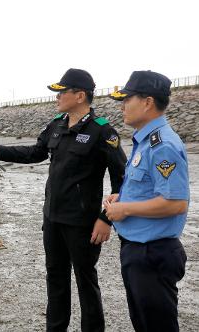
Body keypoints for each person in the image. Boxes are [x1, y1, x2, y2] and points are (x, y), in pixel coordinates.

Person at [0, 68, 127, 331]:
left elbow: (122, 179)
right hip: (53, 218)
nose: (56, 97)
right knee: (55, 280)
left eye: (61, 92)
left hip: (82, 223)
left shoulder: (102, 131)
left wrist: (106, 218)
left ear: (80, 95)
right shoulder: (56, 124)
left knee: (86, 282)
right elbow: (35, 152)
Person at [104, 70, 188, 332]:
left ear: (148, 102)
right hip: (139, 251)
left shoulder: (162, 145)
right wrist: (123, 197)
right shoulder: (145, 141)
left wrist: (125, 208)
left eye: (128, 99)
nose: (123, 106)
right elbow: (151, 189)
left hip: (153, 254)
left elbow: (175, 203)